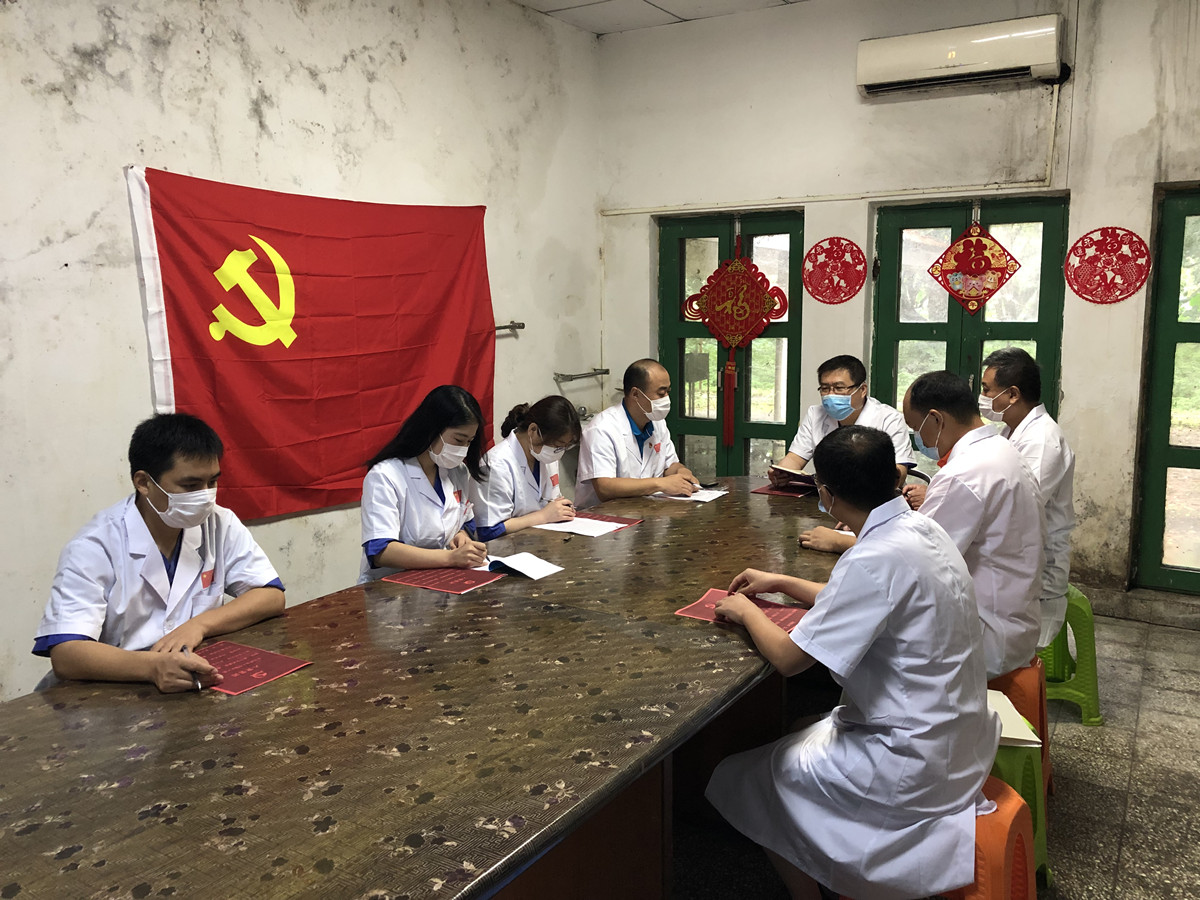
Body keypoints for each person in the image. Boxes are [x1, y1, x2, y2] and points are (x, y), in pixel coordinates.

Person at [707, 425, 999, 900]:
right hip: (960, 739)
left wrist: (745, 611)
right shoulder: (922, 529)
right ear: (895, 476)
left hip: (909, 762)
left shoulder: (871, 557)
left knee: (748, 777)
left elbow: (789, 660)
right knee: (801, 726)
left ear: (826, 494)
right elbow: (862, 597)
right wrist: (782, 581)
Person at [33, 413, 285, 693]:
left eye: (212, 482)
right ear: (144, 482)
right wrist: (151, 667)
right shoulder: (94, 545)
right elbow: (66, 655)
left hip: (187, 677)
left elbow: (270, 596)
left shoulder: (219, 522)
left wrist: (199, 625)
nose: (205, 496)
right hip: (107, 691)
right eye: (190, 486)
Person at [981, 347, 1075, 647]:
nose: (982, 397)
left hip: (1037, 577)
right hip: (1014, 564)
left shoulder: (1042, 441)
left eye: (987, 390)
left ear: (1012, 394)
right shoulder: (1010, 432)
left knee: (1019, 657)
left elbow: (1017, 506)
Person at [359, 385, 489, 582]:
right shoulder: (386, 475)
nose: (463, 449)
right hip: (391, 587)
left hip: (442, 580)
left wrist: (461, 536)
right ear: (432, 430)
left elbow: (464, 522)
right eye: (459, 440)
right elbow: (381, 551)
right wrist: (450, 558)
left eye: (469, 442)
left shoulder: (458, 472)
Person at [770, 354, 914, 487]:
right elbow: (795, 458)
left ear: (862, 389)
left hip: (874, 498)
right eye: (825, 388)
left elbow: (898, 472)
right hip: (828, 497)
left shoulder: (889, 419)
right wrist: (781, 473)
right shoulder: (815, 414)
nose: (830, 395)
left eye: (839, 388)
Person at [574, 358, 698, 508]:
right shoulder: (601, 429)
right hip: (603, 515)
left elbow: (669, 465)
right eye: (661, 393)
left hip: (645, 511)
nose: (667, 399)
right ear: (635, 394)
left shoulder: (657, 423)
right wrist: (660, 484)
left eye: (668, 392)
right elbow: (604, 487)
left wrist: (681, 471)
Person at [473, 396, 582, 540]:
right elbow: (489, 531)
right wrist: (543, 516)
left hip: (541, 541)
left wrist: (562, 509)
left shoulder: (545, 456)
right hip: (506, 548)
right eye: (557, 445)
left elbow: (551, 502)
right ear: (533, 430)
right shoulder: (495, 465)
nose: (559, 452)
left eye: (565, 447)